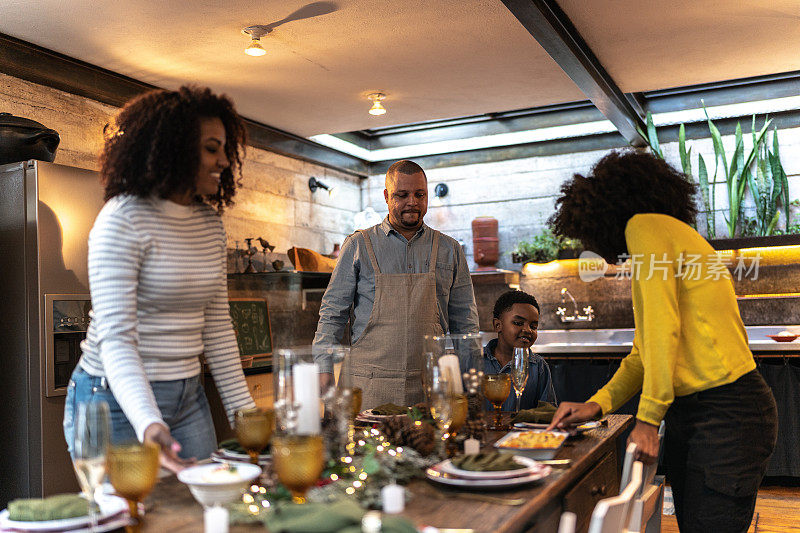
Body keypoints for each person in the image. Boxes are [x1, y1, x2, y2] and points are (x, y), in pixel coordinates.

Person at [546, 150, 777, 532]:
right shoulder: (671, 234)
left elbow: (660, 328)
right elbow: (644, 352)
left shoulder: (645, 228)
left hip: (727, 413)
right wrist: (596, 404)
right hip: (710, 412)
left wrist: (649, 419)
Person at [63, 86, 256, 472]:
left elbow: (217, 326)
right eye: (212, 148)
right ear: (175, 149)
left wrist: (246, 416)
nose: (224, 161)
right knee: (132, 520)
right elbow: (118, 337)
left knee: (201, 512)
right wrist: (149, 422)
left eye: (225, 149)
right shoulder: (122, 219)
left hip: (187, 396)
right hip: (113, 398)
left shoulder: (209, 224)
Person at [313, 159, 479, 409]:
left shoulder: (450, 249)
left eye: (419, 194)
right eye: (402, 195)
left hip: (430, 386)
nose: (412, 202)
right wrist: (322, 366)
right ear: (386, 196)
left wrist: (471, 377)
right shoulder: (358, 245)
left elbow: (465, 321)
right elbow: (332, 312)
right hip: (367, 386)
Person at [483, 290, 556, 411]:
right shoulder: (475, 361)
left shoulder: (539, 367)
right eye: (518, 323)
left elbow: (547, 413)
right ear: (497, 325)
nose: (527, 330)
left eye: (533, 326)